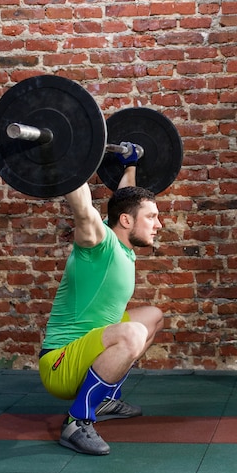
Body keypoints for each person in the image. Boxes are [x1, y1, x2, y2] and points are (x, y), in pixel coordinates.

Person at [38, 144, 164, 455]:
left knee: (152, 316)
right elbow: (84, 210)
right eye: (152, 217)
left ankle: (104, 398)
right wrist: (68, 152)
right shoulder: (98, 244)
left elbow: (124, 198)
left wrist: (130, 163)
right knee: (132, 332)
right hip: (60, 363)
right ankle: (77, 422)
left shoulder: (123, 244)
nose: (159, 225)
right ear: (126, 222)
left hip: (89, 346)